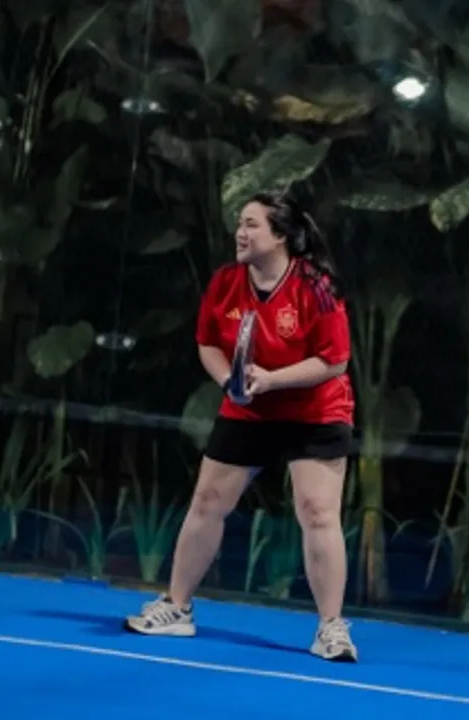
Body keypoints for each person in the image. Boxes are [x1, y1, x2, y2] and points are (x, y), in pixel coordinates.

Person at [124, 191, 358, 662]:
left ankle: (331, 629)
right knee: (208, 501)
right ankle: (177, 608)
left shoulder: (315, 286)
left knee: (317, 511)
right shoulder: (226, 282)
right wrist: (229, 382)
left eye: (252, 224)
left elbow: (334, 361)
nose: (241, 233)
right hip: (248, 408)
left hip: (315, 409)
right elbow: (208, 343)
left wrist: (270, 379)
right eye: (239, 224)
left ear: (281, 236)